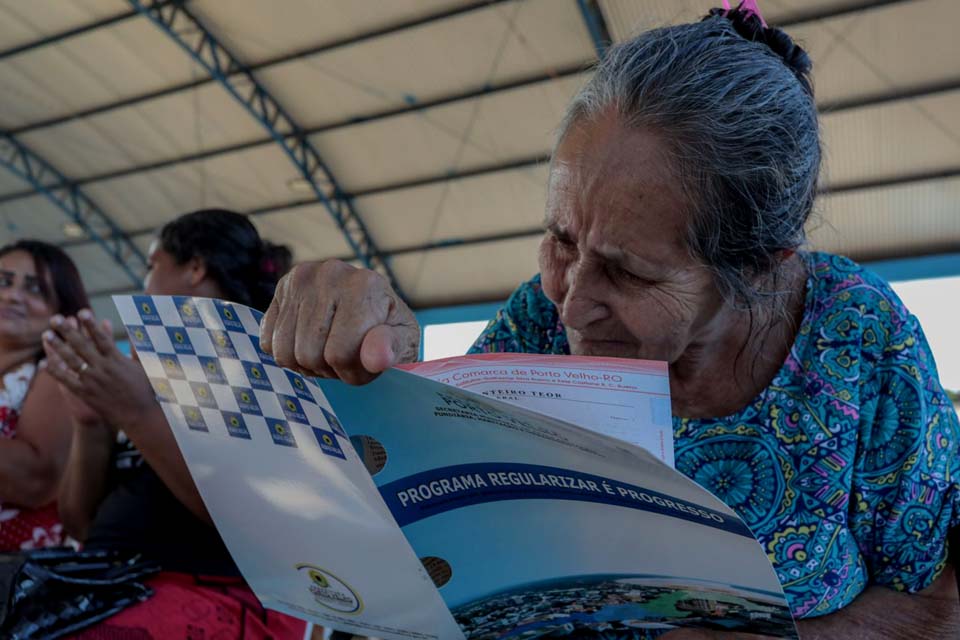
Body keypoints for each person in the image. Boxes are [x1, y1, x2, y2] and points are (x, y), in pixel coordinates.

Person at [256, 5, 960, 639]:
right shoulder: (537, 316)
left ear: (758, 268)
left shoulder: (861, 340)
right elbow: (433, 519)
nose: (570, 302)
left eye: (629, 272)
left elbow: (937, 602)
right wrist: (380, 381)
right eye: (561, 240)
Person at [42, 209, 305, 639]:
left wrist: (136, 412)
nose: (145, 283)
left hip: (209, 594)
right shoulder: (145, 367)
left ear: (195, 267)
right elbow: (81, 524)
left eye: (152, 266)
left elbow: (252, 521)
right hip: (110, 581)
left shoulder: (262, 361)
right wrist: (90, 423)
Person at [0, 240, 88, 551]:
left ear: (61, 309)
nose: (12, 296)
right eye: (3, 281)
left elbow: (35, 480)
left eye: (35, 289)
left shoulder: (59, 372)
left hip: (14, 578)